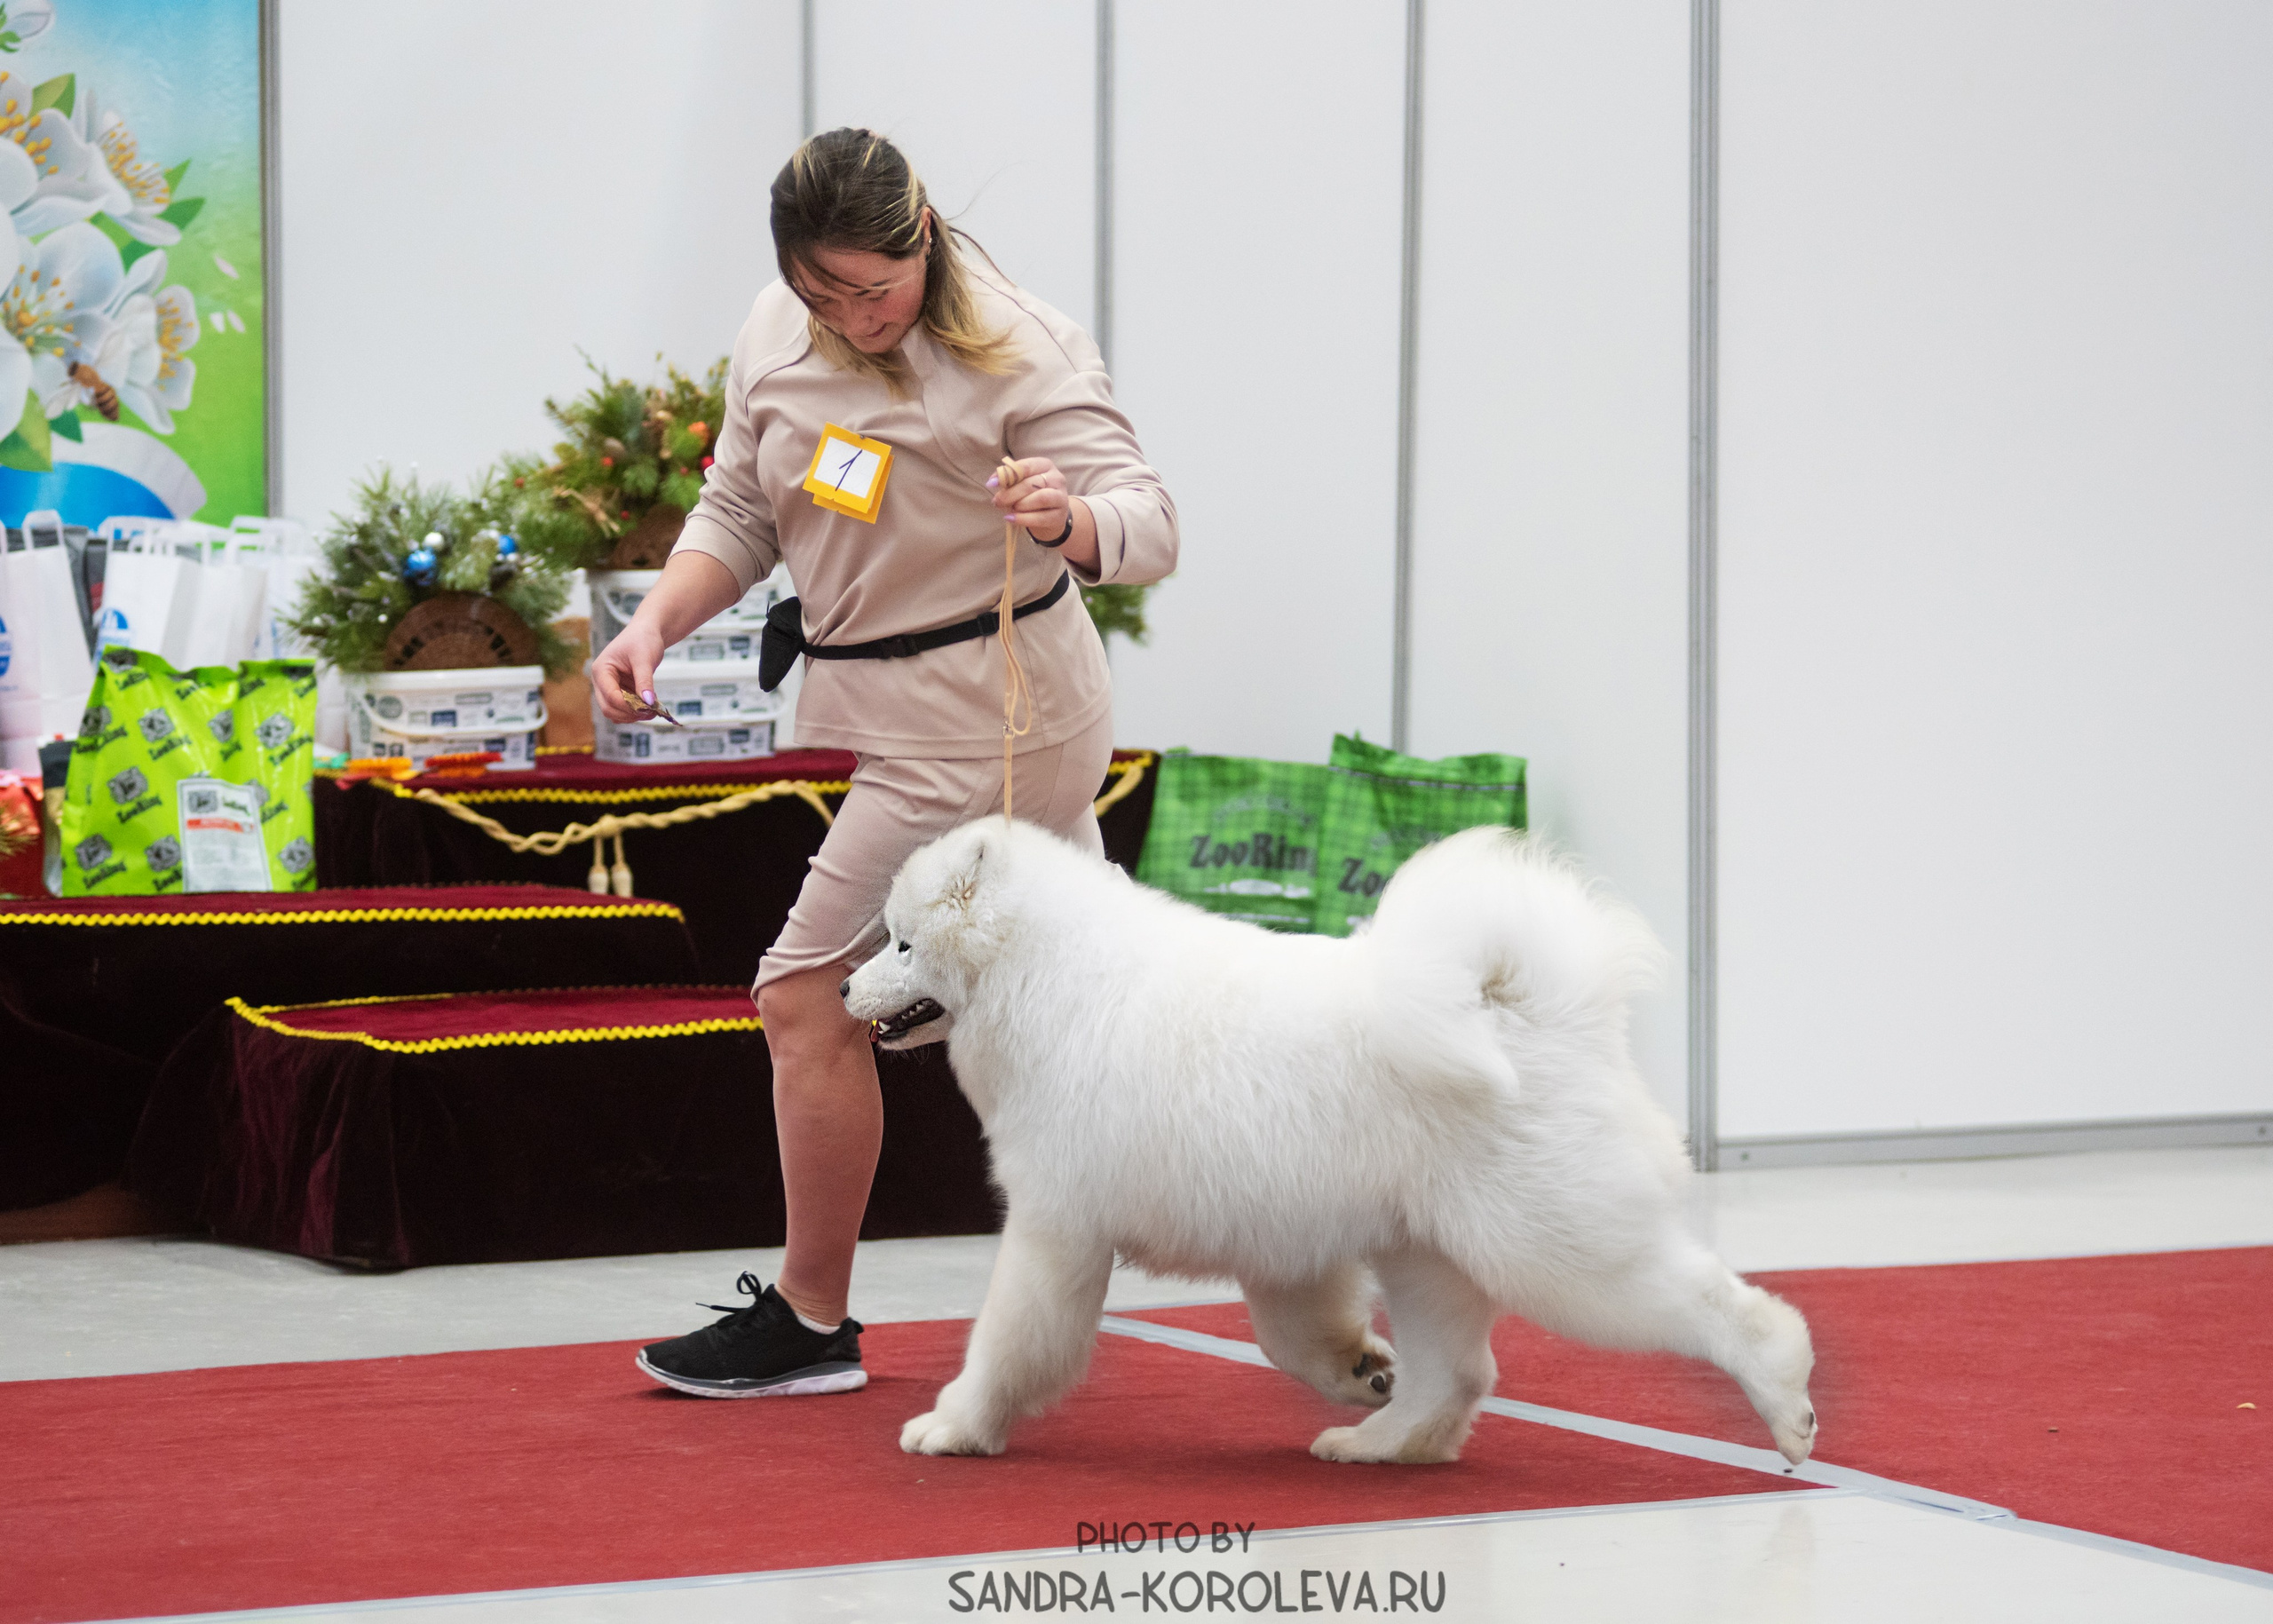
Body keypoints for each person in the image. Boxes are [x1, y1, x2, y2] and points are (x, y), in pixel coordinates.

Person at [593, 128, 1177, 1398]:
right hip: (906, 705)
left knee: (805, 996)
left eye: (880, 287)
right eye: (825, 291)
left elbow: (1152, 525)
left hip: (994, 711)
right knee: (1086, 997)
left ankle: (810, 1318)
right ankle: (1240, 1193)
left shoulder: (1019, 343)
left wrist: (1071, 518)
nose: (858, 316)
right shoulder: (777, 331)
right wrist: (652, 625)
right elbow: (741, 508)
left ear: (926, 242)